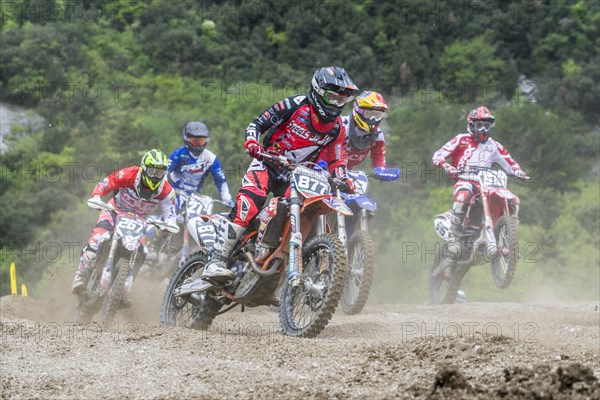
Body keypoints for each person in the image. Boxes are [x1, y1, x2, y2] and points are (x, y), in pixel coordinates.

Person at [201, 66, 360, 281]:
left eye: (341, 101)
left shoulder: (337, 128)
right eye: (331, 98)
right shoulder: (294, 105)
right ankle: (215, 260)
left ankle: (278, 270)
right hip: (268, 163)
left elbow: (336, 159)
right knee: (247, 207)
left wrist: (342, 177)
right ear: (318, 90)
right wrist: (252, 142)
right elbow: (258, 123)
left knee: (305, 214)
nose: (336, 104)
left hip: (297, 176)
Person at [71, 149, 176, 295]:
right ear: (144, 168)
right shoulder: (129, 174)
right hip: (114, 211)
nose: (155, 176)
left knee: (140, 251)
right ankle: (81, 276)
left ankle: (123, 291)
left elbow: (170, 214)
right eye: (152, 171)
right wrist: (96, 196)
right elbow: (106, 183)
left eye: (159, 173)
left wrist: (169, 225)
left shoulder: (166, 191)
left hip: (139, 220)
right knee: (97, 239)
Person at [432, 106, 528, 254]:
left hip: (487, 183)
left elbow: (509, 162)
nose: (483, 130)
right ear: (471, 125)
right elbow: (438, 155)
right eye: (479, 125)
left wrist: (518, 172)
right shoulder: (461, 139)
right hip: (465, 180)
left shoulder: (494, 145)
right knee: (464, 195)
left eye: (486, 126)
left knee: (512, 199)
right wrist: (446, 166)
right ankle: (454, 237)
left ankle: (508, 237)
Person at [168, 121, 234, 208]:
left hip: (195, 196)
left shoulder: (211, 158)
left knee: (200, 217)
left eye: (201, 141)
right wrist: (164, 191)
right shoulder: (178, 154)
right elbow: (165, 172)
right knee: (172, 213)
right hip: (176, 192)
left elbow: (220, 180)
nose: (198, 145)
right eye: (195, 141)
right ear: (187, 139)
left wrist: (227, 199)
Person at [343, 91, 389, 170]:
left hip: (346, 168)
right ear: (358, 110)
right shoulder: (342, 126)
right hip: (323, 166)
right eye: (369, 114)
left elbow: (378, 155)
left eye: (377, 115)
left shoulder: (378, 135)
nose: (373, 119)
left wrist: (380, 169)